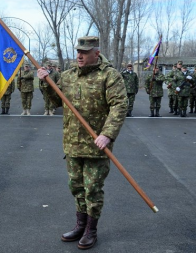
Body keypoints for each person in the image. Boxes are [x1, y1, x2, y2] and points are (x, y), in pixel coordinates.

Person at [37, 36, 127, 250]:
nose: (79, 55)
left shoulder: (110, 76)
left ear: (96, 53)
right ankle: (80, 225)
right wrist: (46, 83)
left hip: (97, 145)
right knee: (76, 187)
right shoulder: (68, 76)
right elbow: (57, 101)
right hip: (73, 143)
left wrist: (108, 134)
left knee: (93, 189)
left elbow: (119, 106)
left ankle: (91, 230)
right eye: (78, 51)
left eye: (85, 52)